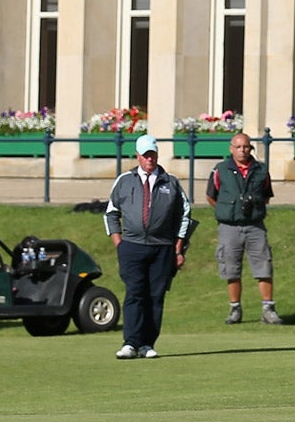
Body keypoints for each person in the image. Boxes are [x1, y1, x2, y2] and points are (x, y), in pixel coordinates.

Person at [103, 132, 192, 359]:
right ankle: (130, 343)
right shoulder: (124, 180)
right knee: (134, 293)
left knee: (155, 295)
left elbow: (185, 215)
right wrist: (118, 243)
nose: (150, 159)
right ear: (138, 156)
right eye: (145, 155)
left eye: (152, 155)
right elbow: (111, 213)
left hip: (162, 247)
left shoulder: (170, 182)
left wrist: (178, 247)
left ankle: (147, 344)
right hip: (131, 246)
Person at [206, 130, 280, 325]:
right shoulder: (220, 170)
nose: (242, 150)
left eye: (246, 147)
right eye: (238, 147)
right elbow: (211, 196)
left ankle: (268, 308)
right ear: (231, 149)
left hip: (255, 227)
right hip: (229, 227)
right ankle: (235, 309)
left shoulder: (261, 170)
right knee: (231, 269)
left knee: (264, 267)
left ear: (251, 148)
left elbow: (266, 195)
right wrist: (228, 211)